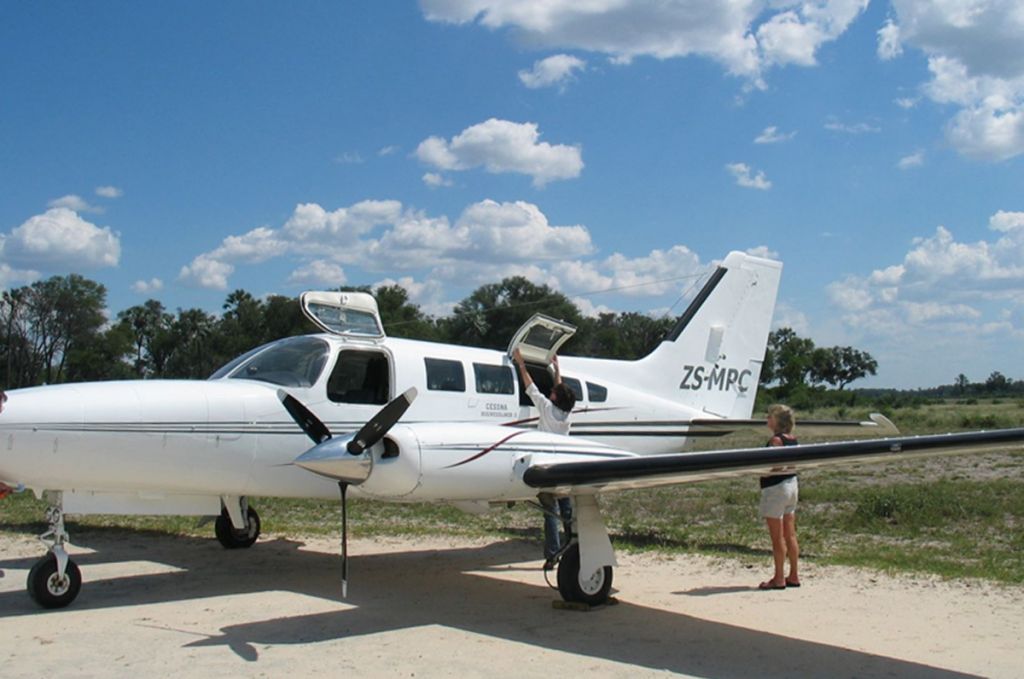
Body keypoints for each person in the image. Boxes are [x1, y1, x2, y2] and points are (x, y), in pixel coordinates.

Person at [512, 348, 576, 570]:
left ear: (555, 398)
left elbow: (530, 388)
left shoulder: (546, 408)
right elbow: (560, 390)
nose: (551, 393)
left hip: (548, 468)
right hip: (565, 468)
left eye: (554, 392)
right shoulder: (567, 415)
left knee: (551, 514)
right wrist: (558, 369)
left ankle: (552, 555)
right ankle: (571, 546)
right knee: (566, 510)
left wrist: (521, 364)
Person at [758, 404, 800, 590]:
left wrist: (765, 473)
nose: (767, 419)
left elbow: (777, 464)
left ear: (777, 420)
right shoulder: (793, 439)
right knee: (790, 534)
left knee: (777, 537)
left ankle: (778, 577)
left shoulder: (776, 441)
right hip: (792, 485)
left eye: (770, 416)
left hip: (776, 489)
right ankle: (794, 575)